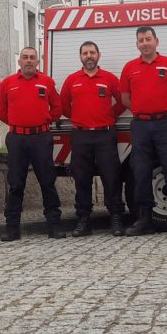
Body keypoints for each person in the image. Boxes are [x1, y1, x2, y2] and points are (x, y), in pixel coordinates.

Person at [119, 26, 167, 236]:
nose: (145, 43)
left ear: (156, 41)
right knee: (140, 172)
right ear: (137, 44)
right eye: (141, 40)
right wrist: (142, 111)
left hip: (165, 125)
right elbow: (124, 98)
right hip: (140, 126)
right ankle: (144, 219)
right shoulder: (130, 67)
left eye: (148, 39)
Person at [0, 46, 66, 241]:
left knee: (48, 182)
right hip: (17, 139)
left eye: (32, 58)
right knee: (16, 184)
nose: (28, 61)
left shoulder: (46, 82)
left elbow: (58, 107)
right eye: (25, 57)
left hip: (41, 138)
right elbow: (1, 111)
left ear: (37, 62)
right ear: (20, 61)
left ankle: (54, 226)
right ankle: (12, 229)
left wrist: (42, 120)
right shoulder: (7, 83)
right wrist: (19, 123)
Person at [60, 41, 126, 237]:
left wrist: (109, 115)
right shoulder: (72, 80)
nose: (89, 56)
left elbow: (123, 101)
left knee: (111, 177)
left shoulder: (109, 78)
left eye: (92, 52)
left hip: (105, 134)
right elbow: (64, 105)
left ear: (99, 55)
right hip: (81, 135)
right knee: (82, 178)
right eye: (85, 53)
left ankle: (115, 218)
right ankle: (83, 219)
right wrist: (79, 118)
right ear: (80, 57)